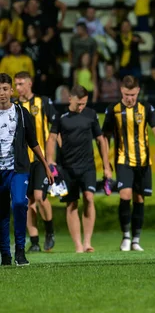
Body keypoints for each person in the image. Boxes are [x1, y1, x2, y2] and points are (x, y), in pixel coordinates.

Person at [46, 85, 112, 253]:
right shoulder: (61, 117)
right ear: (70, 99)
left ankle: (87, 242)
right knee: (72, 204)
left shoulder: (91, 115)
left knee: (89, 198)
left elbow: (100, 140)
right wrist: (50, 161)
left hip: (88, 167)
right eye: (78, 104)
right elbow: (52, 139)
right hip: (67, 168)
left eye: (84, 104)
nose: (81, 107)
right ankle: (78, 246)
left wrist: (106, 166)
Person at [0, 73, 54, 267]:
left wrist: (47, 165)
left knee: (20, 204)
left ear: (11, 91)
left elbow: (33, 142)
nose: (2, 93)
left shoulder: (21, 113)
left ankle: (21, 251)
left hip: (18, 169)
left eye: (5, 89)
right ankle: (5, 254)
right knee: (2, 213)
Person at [102, 75, 155, 252]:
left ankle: (136, 239)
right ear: (121, 91)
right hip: (123, 160)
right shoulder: (113, 109)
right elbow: (105, 137)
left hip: (143, 162)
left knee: (139, 198)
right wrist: (105, 163)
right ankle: (125, 236)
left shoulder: (147, 108)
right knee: (125, 195)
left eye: (133, 94)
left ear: (138, 91)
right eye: (126, 94)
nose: (130, 98)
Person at [14, 72, 57, 253]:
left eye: (21, 84)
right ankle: (35, 241)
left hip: (41, 160)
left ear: (30, 83)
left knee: (40, 197)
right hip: (23, 161)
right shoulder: (14, 107)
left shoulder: (43, 102)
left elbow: (54, 130)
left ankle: (49, 231)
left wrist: (52, 158)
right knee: (27, 201)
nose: (18, 88)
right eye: (15, 85)